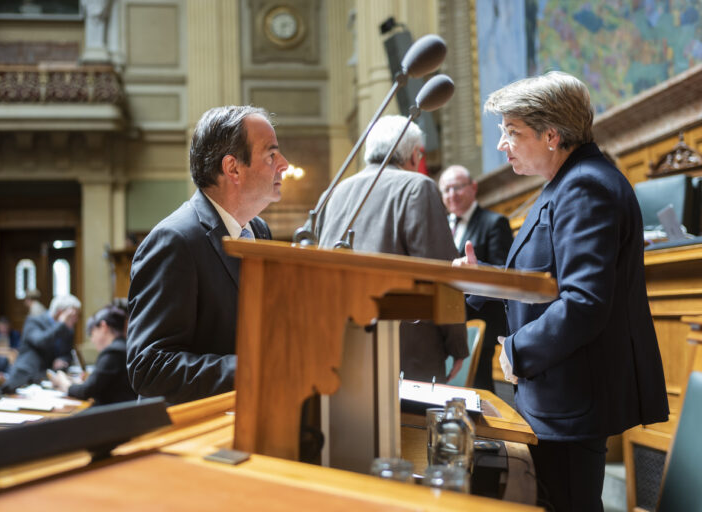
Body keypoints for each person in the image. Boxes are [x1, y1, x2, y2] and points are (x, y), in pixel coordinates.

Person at [454, 71, 669, 511]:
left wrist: (517, 350)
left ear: (552, 135)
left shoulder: (584, 187)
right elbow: (548, 277)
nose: (502, 145)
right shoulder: (569, 182)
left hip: (573, 395)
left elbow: (584, 302)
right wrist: (485, 275)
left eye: (512, 132)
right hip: (563, 390)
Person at [127, 105, 287, 405]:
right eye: (271, 155)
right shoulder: (174, 241)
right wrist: (252, 369)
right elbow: (148, 368)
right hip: (190, 433)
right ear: (233, 168)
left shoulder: (259, 231)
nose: (285, 164)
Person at [315, 115, 468, 383]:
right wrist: (457, 345)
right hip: (406, 353)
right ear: (413, 155)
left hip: (340, 348)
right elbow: (442, 274)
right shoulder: (417, 187)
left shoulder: (334, 193)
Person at [439, 165, 513, 391]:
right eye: (446, 190)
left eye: (458, 187)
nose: (452, 194)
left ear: (473, 188)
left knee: (479, 388)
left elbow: (504, 274)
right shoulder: (443, 226)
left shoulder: (494, 223)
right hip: (451, 318)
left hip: (482, 319)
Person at [49, 304, 135, 405]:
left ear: (103, 327)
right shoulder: (123, 347)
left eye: (92, 333)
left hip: (114, 415)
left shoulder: (113, 352)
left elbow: (86, 391)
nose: (92, 340)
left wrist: (63, 383)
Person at [5, 294, 81, 389]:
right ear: (60, 312)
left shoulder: (68, 330)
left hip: (46, 380)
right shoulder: (34, 322)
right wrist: (61, 323)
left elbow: (67, 354)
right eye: (73, 315)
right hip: (24, 377)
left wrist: (63, 359)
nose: (76, 319)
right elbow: (41, 341)